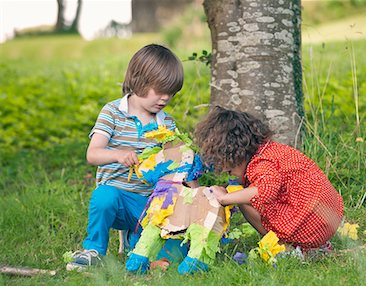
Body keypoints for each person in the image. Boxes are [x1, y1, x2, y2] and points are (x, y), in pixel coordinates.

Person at [66, 44, 186, 271]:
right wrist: (118, 155)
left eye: (171, 92)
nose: (165, 98)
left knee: (171, 251)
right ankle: (94, 250)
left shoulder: (166, 122)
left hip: (150, 205)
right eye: (159, 90)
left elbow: (176, 162)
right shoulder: (112, 112)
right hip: (119, 198)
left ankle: (135, 243)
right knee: (104, 197)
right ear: (140, 81)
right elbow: (93, 154)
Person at [194, 106, 344, 254]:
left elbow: (264, 191)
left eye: (229, 168)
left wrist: (225, 197)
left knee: (244, 198)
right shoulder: (270, 151)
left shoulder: (261, 163)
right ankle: (315, 246)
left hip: (310, 224)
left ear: (235, 152)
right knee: (244, 192)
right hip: (329, 217)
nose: (227, 171)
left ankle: (286, 249)